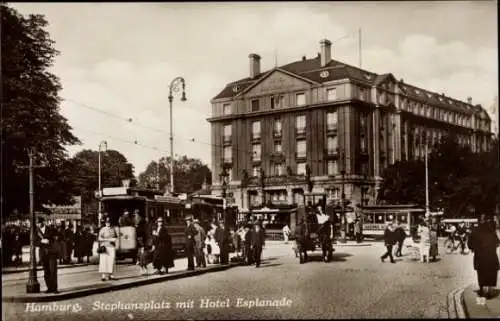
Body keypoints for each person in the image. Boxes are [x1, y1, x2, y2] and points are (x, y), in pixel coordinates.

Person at [468, 214, 499, 300]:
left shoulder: (475, 231)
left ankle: (482, 293)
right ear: (486, 221)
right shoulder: (491, 230)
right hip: (491, 257)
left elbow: (470, 244)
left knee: (481, 274)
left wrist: (474, 247)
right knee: (491, 273)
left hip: (480, 257)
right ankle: (489, 291)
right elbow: (497, 242)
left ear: (478, 221)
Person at [37, 217, 60, 293]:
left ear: (43, 222)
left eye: (40, 223)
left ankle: (55, 288)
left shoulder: (50, 229)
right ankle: (49, 288)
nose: (38, 224)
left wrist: (50, 240)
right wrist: (41, 241)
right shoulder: (36, 231)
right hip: (43, 253)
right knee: (46, 271)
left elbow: (58, 237)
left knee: (53, 270)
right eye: (37, 223)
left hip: (51, 252)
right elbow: (34, 241)